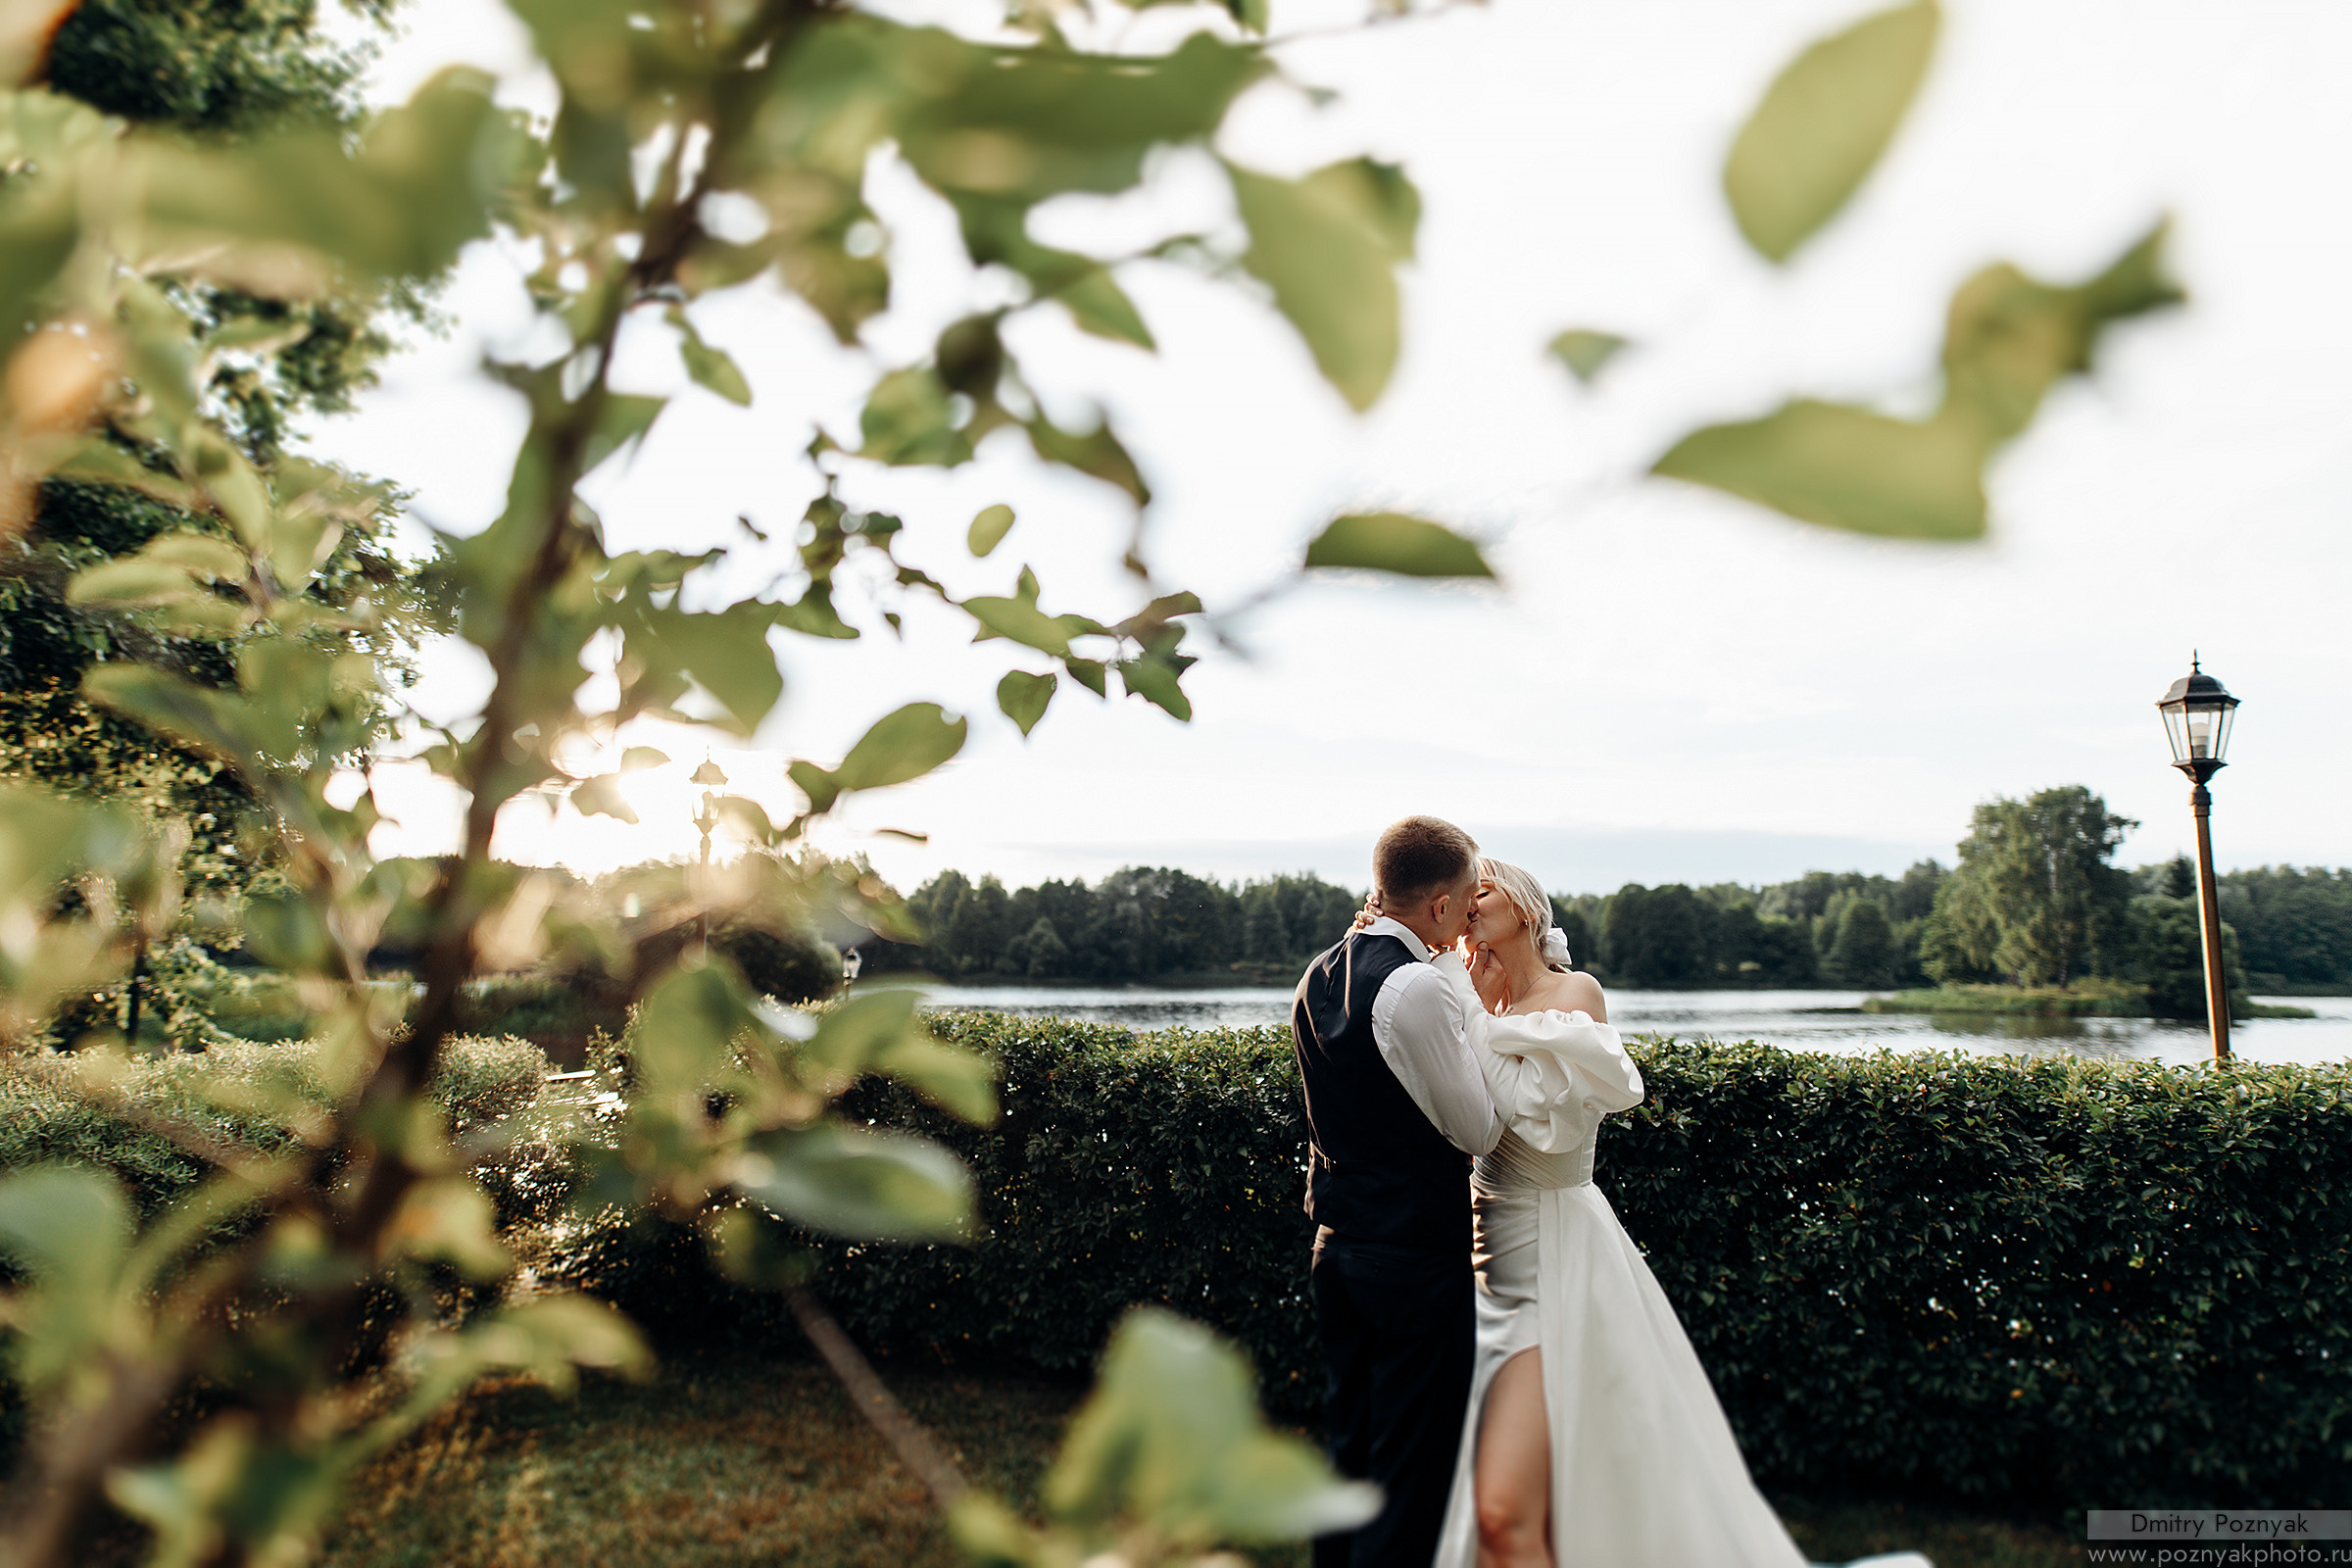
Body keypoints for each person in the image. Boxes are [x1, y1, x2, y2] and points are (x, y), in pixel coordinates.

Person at [1432, 857, 1807, 1568]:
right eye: (1463, 893)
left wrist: (1471, 1010)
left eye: (1482, 888)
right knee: (1498, 1520)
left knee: (1506, 1511)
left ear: (1526, 905)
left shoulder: (1574, 993)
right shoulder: (1489, 1004)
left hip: (1552, 1257)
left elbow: (1543, 1125)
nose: (1469, 902)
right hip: (1482, 1260)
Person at [1292, 815, 1501, 1568]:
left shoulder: (1318, 971)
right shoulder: (1416, 987)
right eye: (1466, 902)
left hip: (1336, 1248)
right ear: (1441, 908)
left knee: (1350, 1453)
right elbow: (1477, 1130)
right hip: (1412, 1258)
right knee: (1410, 1476)